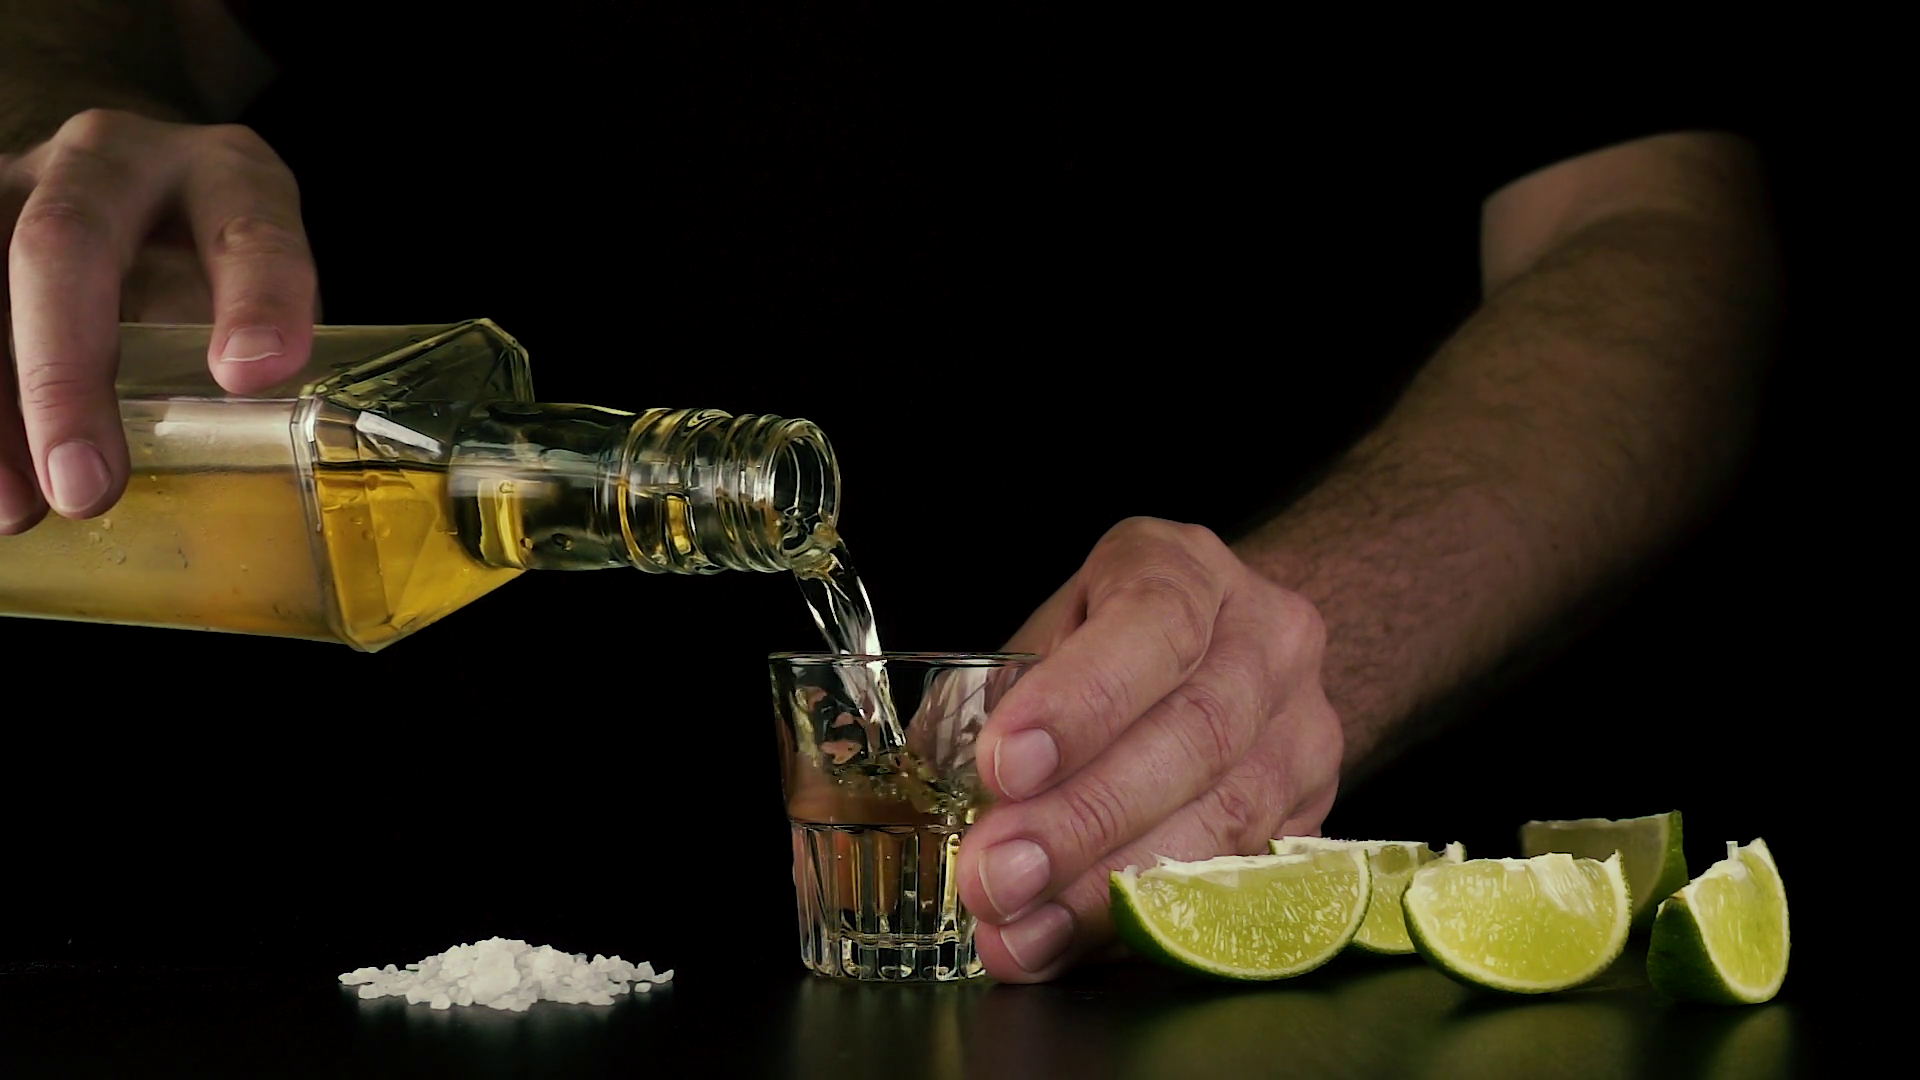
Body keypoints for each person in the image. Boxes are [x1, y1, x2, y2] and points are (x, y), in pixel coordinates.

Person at [1, 3, 1780, 983]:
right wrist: (55, 131)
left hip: (1185, 980)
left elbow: (1658, 224)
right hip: (396, 914)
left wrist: (1294, 647)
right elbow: (113, 17)